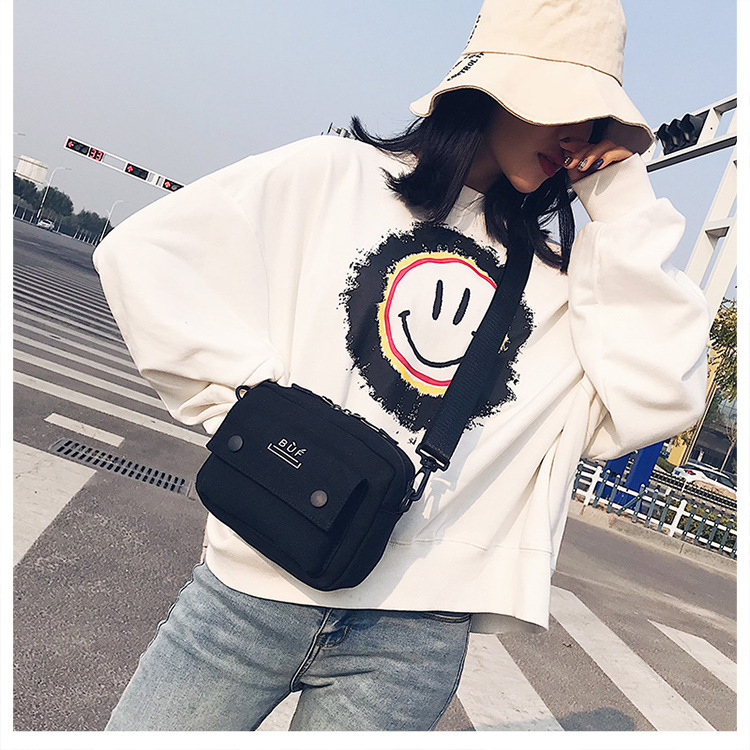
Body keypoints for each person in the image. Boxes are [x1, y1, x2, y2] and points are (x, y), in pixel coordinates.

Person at [94, 0, 710, 732]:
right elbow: (146, 258)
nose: (575, 134)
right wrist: (252, 414)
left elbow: (664, 395)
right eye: (560, 105)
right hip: (251, 592)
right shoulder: (335, 176)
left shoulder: (573, 281)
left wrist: (622, 202)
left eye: (596, 121)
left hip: (411, 636)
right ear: (493, 88)